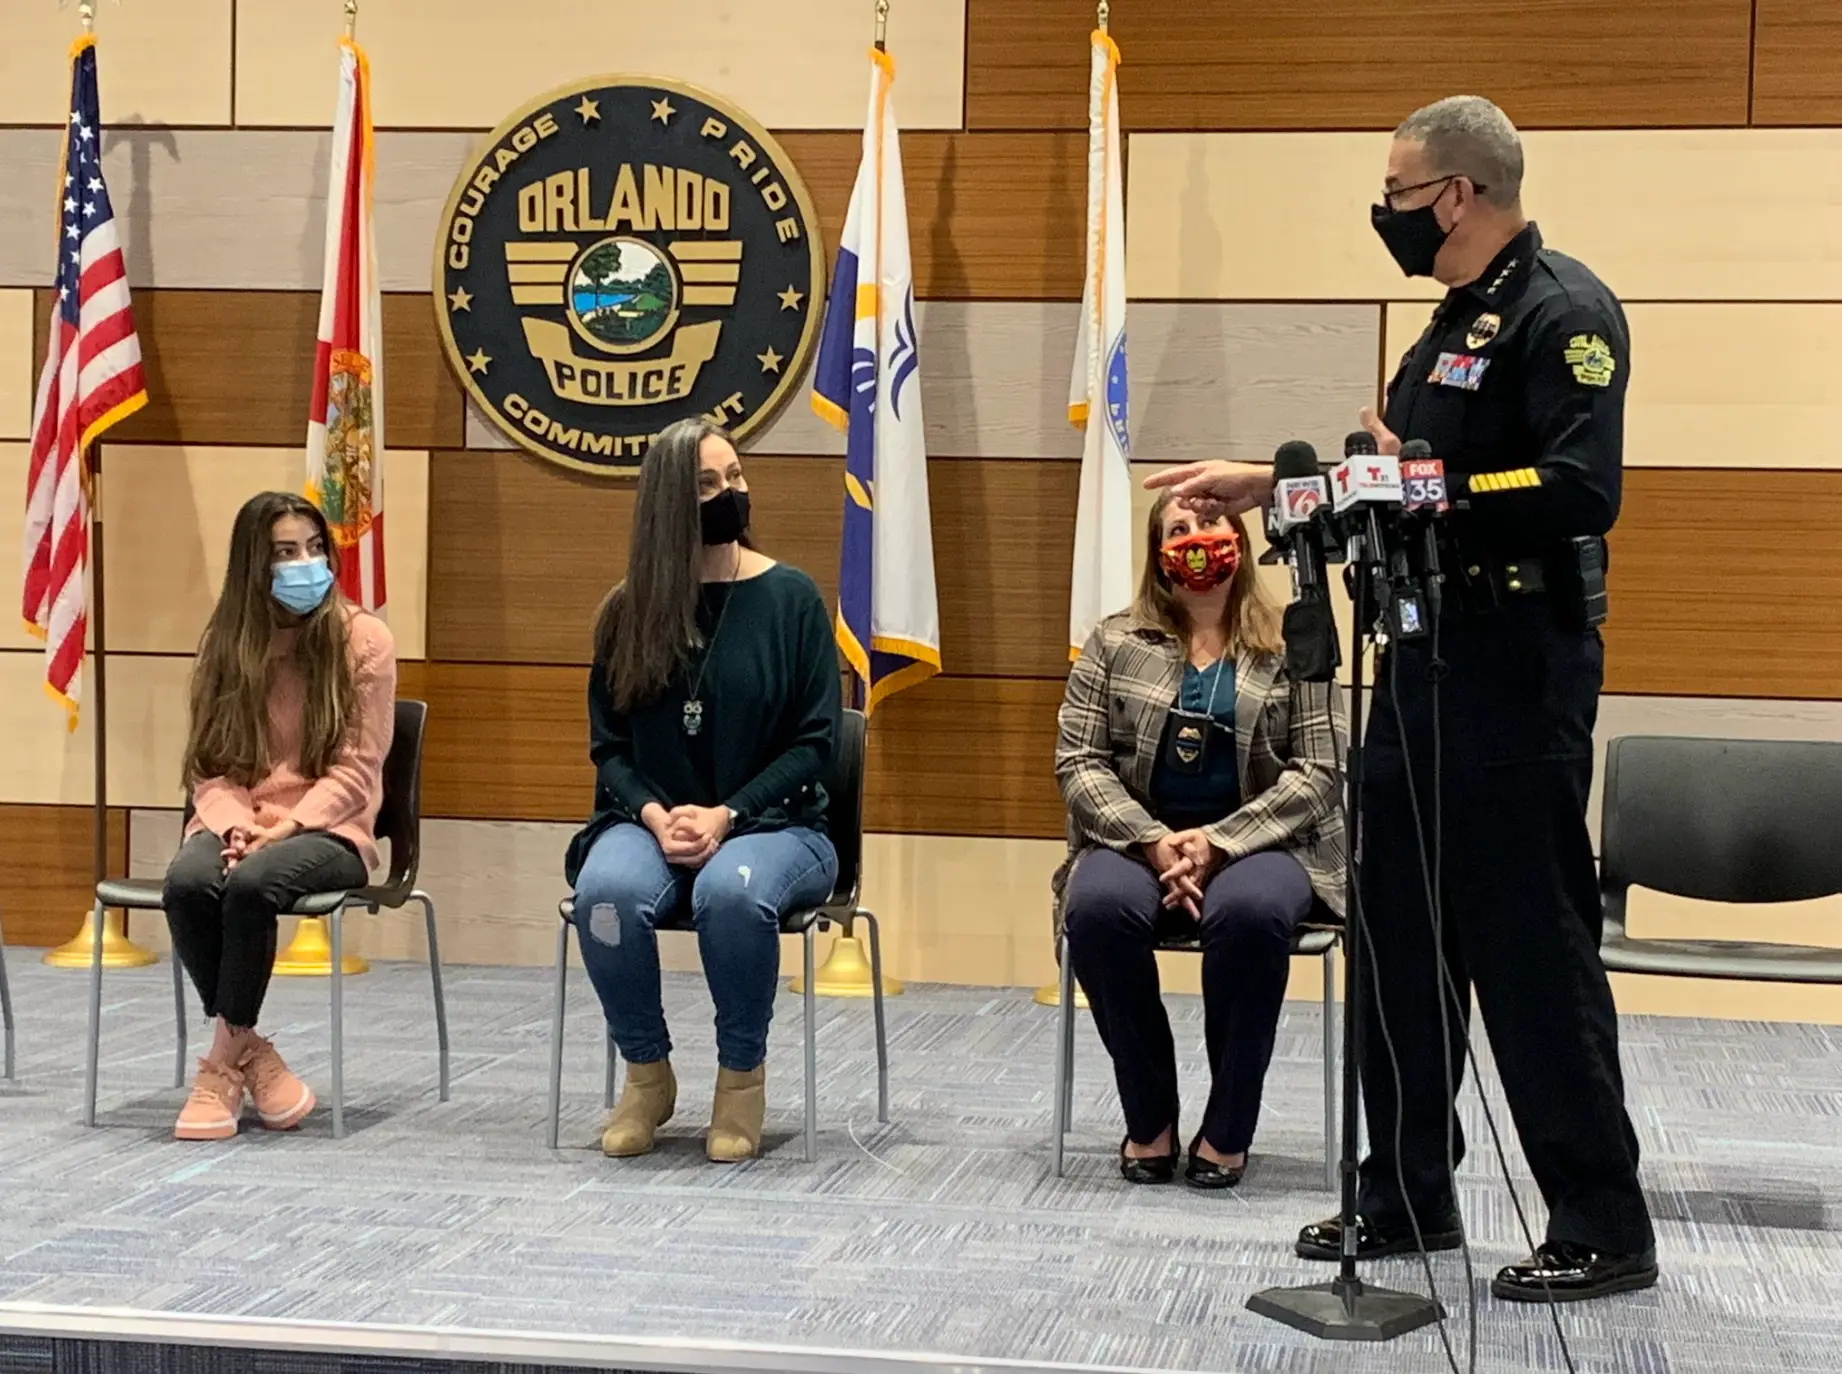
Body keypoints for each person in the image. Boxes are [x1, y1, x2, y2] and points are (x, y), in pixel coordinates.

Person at [1147, 96, 1654, 1301]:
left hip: (1515, 670)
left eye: (1400, 192)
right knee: (1398, 946)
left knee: (1530, 952)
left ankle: (1601, 1221)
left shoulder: (1561, 313)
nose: (1388, 212)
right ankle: (1407, 1197)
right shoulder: (1447, 326)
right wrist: (1271, 485)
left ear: (1460, 194)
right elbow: (1395, 479)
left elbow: (1577, 484)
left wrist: (1424, 480)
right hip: (1418, 663)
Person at [566, 417, 840, 1164]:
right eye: (708, 485)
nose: (730, 494)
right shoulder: (628, 609)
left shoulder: (791, 599)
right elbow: (609, 748)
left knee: (730, 894)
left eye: (737, 477)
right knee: (606, 900)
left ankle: (740, 1080)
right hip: (647, 818)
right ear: (666, 503)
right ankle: (647, 1075)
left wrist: (726, 813)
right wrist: (657, 817)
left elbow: (816, 743)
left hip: (777, 825)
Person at [1055, 493, 1346, 1189]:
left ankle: (1227, 1129)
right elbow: (1079, 762)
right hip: (1137, 842)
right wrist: (1156, 842)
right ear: (1158, 553)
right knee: (1095, 911)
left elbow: (1321, 769)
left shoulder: (1292, 638)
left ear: (1239, 539)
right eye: (1176, 529)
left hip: (1272, 844)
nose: (1195, 538)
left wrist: (1218, 843)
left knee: (1249, 915)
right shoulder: (1115, 639)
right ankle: (1149, 1119)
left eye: (1209, 523)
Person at [163, 491, 397, 1141]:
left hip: (330, 828)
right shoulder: (225, 643)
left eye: (315, 549)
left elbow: (358, 770)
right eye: (286, 554)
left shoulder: (364, 640)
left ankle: (219, 1068)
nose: (306, 565)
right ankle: (254, 1054)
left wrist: (286, 828)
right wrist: (240, 825)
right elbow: (208, 765)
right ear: (253, 568)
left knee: (251, 885)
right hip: (236, 818)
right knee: (186, 884)